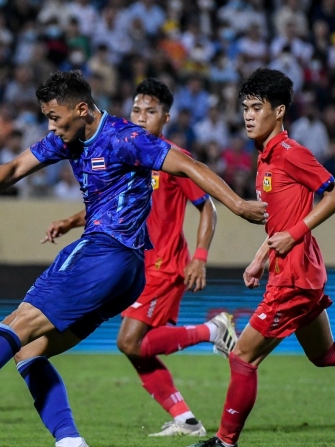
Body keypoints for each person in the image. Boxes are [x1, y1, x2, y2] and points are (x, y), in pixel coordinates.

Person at [0, 71, 267, 447]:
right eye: (49, 119)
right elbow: (19, 165)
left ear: (82, 109)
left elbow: (190, 166)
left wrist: (237, 204)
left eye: (56, 118)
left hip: (104, 253)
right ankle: (69, 440)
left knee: (17, 325)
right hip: (128, 274)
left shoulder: (126, 138)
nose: (52, 127)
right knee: (29, 351)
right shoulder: (68, 138)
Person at [187, 69, 335, 447]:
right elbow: (280, 222)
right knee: (325, 353)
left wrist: (294, 234)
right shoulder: (264, 158)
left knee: (242, 357)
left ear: (280, 111)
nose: (248, 115)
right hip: (298, 269)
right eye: (245, 108)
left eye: (257, 107)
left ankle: (224, 442)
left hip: (295, 274)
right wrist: (261, 255)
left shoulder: (291, 154)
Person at [42, 78, 236, 437]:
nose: (141, 117)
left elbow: (206, 208)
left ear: (165, 118)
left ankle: (213, 330)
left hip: (163, 263)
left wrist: (200, 256)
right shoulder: (126, 151)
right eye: (136, 110)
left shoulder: (170, 157)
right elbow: (108, 206)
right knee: (136, 348)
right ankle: (186, 419)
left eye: (150, 112)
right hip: (137, 262)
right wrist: (71, 221)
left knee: (128, 342)